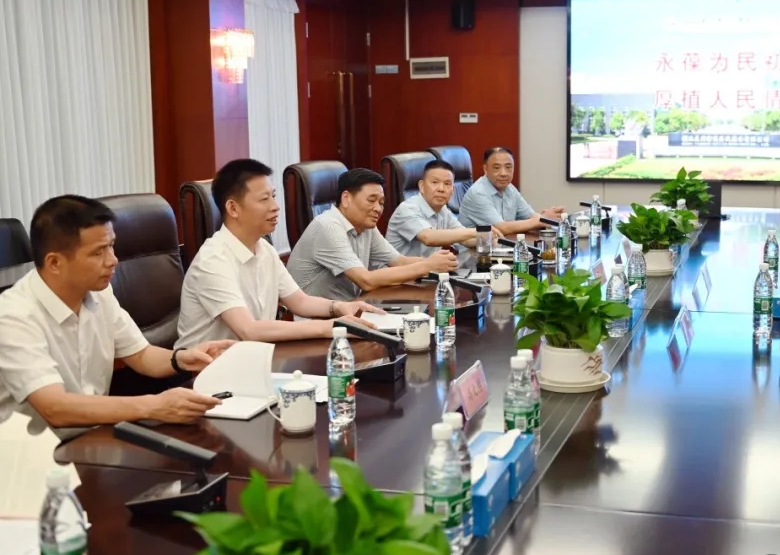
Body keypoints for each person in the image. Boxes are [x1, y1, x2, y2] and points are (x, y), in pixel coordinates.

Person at [0, 196, 231, 429]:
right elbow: (55, 408)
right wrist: (154, 406)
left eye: (111, 245)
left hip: (92, 434)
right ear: (54, 263)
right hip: (35, 448)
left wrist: (182, 358)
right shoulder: (13, 317)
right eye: (98, 252)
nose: (113, 260)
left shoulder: (98, 292)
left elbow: (142, 356)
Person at [177, 159, 380, 348]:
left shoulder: (264, 248)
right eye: (264, 199)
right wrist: (331, 326)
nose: (275, 207)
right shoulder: (212, 260)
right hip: (209, 369)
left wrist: (340, 307)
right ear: (233, 208)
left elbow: (300, 302)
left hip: (253, 359)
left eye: (273, 197)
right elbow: (249, 330)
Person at [287, 167, 458, 300]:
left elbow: (399, 261)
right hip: (315, 321)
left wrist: (440, 263)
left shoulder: (366, 226)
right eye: (371, 200)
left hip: (351, 308)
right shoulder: (328, 226)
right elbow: (366, 280)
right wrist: (427, 266)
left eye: (381, 202)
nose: (378, 208)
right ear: (346, 199)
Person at [386, 159, 504, 257]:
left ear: (453, 190)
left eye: (447, 184)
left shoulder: (443, 210)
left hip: (425, 272)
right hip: (397, 275)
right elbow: (428, 237)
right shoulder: (407, 209)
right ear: (421, 186)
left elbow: (465, 240)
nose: (441, 189)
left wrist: (487, 238)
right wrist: (476, 231)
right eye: (435, 182)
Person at [457, 147, 565, 234]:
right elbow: (501, 228)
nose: (503, 173)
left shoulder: (510, 188)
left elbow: (531, 216)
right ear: (485, 169)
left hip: (501, 247)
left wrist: (547, 219)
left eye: (508, 167)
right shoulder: (478, 193)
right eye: (496, 168)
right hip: (474, 252)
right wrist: (543, 219)